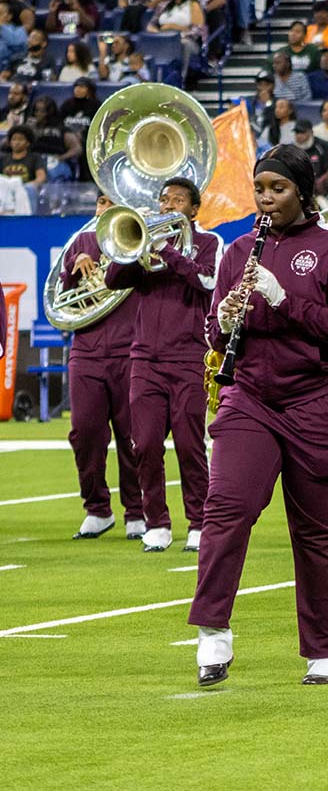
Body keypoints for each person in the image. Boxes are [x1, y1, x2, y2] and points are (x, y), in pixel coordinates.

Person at [189, 144, 328, 687]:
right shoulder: (238, 250)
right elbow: (214, 337)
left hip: (322, 398)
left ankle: (324, 648)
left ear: (303, 191)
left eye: (278, 189)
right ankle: (213, 631)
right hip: (252, 396)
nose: (266, 199)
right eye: (260, 189)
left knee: (316, 531)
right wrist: (224, 319)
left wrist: (285, 301)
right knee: (226, 509)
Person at [105, 178, 223, 553]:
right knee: (145, 444)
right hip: (145, 359)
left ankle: (199, 522)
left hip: (189, 358)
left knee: (190, 445)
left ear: (193, 210)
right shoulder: (149, 245)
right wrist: (134, 249)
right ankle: (156, 521)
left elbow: (206, 281)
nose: (168, 205)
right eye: (164, 199)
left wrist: (168, 252)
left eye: (177, 200)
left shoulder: (209, 243)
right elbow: (112, 281)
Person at [60, 192, 143, 541]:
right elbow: (62, 296)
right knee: (84, 432)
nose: (104, 210)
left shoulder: (140, 234)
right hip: (87, 348)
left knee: (132, 436)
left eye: (112, 203)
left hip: (130, 348)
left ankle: (137, 512)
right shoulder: (81, 239)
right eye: (100, 202)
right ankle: (97, 508)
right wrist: (72, 264)